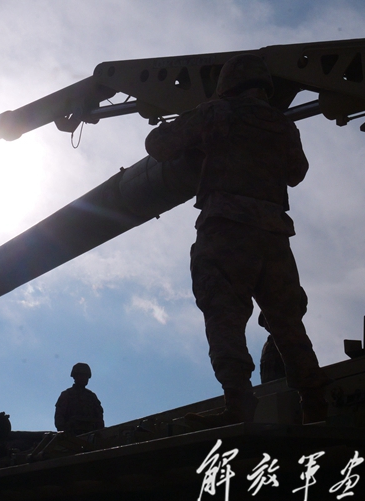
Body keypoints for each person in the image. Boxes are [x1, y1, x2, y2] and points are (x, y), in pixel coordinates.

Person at [145, 54, 330, 426]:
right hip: (274, 236)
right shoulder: (283, 124)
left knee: (224, 315)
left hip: (226, 229)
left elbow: (159, 145)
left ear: (228, 83)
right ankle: (314, 402)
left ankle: (238, 403)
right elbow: (297, 173)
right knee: (288, 324)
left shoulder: (216, 112)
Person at [54, 362, 104, 434]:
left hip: (90, 434)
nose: (85, 379)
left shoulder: (92, 397)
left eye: (86, 376)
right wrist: (65, 432)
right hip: (71, 434)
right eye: (82, 375)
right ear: (75, 377)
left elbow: (99, 418)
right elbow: (59, 417)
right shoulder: (67, 395)